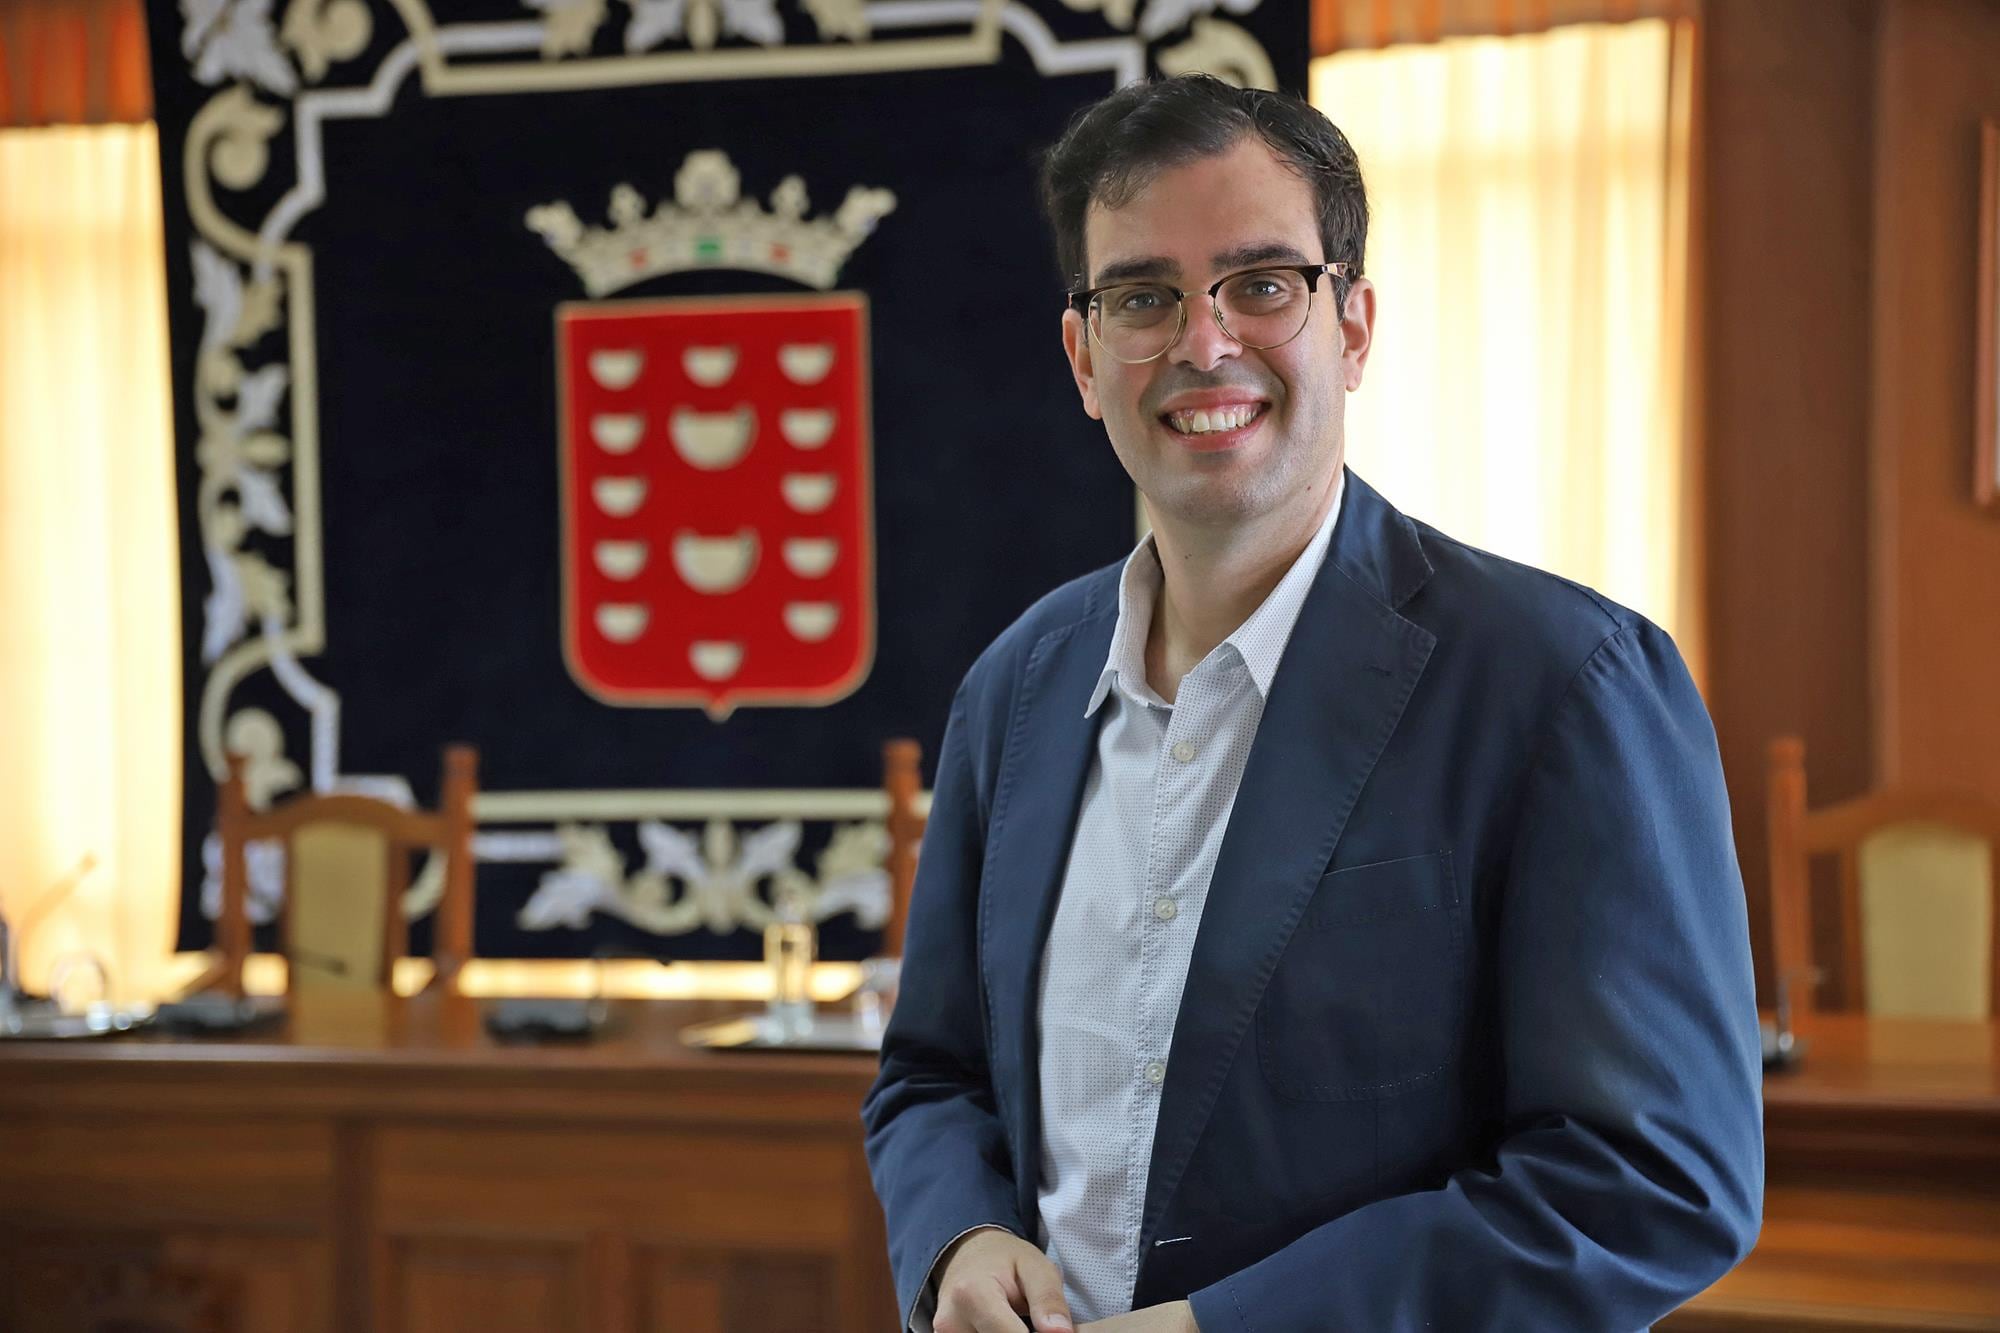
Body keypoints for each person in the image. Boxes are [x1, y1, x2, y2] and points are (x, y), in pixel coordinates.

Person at [861, 73, 1762, 1333]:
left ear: (1352, 326)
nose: (1202, 343)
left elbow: (1653, 1182)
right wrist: (959, 1235)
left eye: (1260, 284)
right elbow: (932, 1073)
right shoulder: (1014, 686)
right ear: (1082, 358)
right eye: (1142, 297)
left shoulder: (1568, 683)